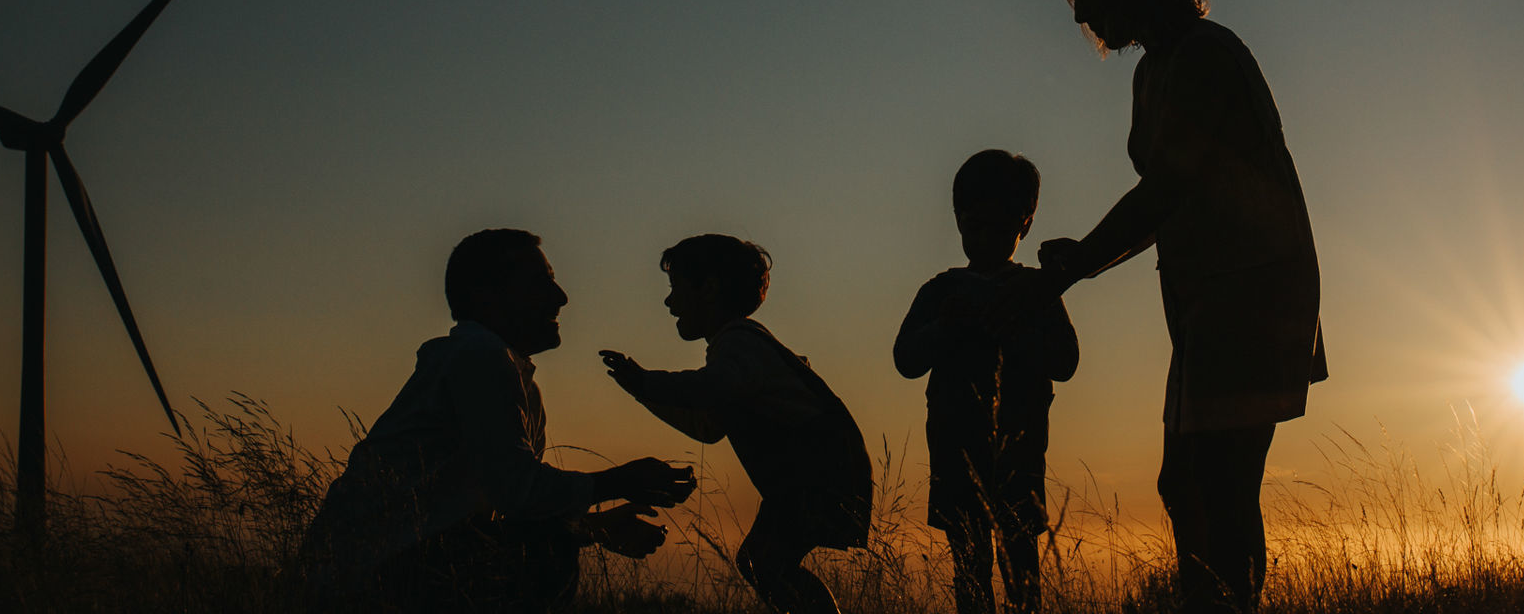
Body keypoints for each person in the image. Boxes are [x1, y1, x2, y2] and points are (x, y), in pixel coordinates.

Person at [1028, 0, 1325, 614]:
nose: (1078, 17)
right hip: (1204, 301)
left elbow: (1168, 187)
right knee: (1191, 484)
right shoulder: (1154, 72)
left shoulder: (1205, 55)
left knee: (1212, 483)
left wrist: (1084, 260)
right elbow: (1167, 197)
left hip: (1251, 296)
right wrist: (1089, 256)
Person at [299, 229, 697, 613]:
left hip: (376, 573)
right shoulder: (479, 356)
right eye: (541, 284)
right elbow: (515, 491)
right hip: (363, 582)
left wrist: (594, 527)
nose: (561, 298)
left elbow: (504, 503)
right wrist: (619, 482)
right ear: (486, 296)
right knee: (545, 554)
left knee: (545, 543)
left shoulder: (504, 369)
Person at [600, 235, 873, 614]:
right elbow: (708, 426)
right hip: (815, 475)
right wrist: (643, 392)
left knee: (764, 561)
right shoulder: (740, 350)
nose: (668, 302)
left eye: (675, 288)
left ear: (708, 289)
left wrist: (648, 382)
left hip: (817, 475)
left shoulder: (739, 345)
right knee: (764, 562)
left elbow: (710, 389)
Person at [895, 150, 1079, 614]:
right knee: (970, 569)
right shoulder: (941, 291)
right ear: (957, 220)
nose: (982, 239)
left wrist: (1013, 331)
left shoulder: (1035, 291)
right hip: (956, 453)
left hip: (1019, 451)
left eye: (997, 228)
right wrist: (944, 328)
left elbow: (1066, 360)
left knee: (1021, 570)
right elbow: (905, 358)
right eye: (972, 226)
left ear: (1024, 223)